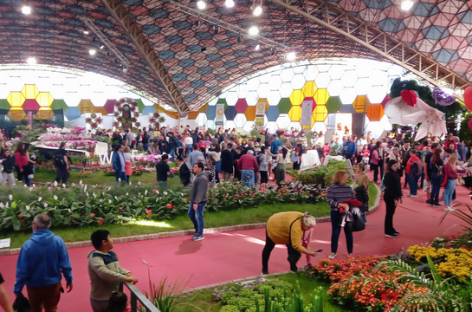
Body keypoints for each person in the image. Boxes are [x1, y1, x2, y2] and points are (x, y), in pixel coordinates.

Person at [14, 214, 73, 312]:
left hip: (34, 287)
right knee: (52, 309)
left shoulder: (27, 246)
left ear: (36, 226)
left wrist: (17, 290)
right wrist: (69, 279)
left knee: (35, 309)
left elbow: (22, 271)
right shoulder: (58, 241)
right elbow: (65, 264)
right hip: (54, 285)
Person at [88, 230, 138, 312]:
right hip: (101, 299)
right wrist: (125, 278)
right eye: (110, 238)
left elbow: (117, 268)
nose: (112, 240)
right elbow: (104, 273)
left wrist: (126, 273)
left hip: (112, 296)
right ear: (104, 242)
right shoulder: (95, 257)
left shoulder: (111, 254)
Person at [326, 170, 355, 259]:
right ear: (339, 177)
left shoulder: (348, 187)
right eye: (344, 176)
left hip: (347, 212)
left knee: (348, 232)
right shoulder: (332, 188)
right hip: (336, 212)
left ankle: (350, 252)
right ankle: (333, 252)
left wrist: (349, 206)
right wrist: (340, 205)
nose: (346, 178)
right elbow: (329, 201)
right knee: (336, 231)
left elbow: (354, 199)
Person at [188, 162, 208, 241]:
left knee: (199, 217)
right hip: (194, 200)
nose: (193, 168)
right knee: (191, 214)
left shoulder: (203, 178)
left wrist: (196, 202)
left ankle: (200, 234)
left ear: (200, 168)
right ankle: (197, 229)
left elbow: (200, 191)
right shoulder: (197, 176)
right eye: (194, 166)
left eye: (195, 167)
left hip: (199, 201)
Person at [383, 160, 403, 238]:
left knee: (391, 214)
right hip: (389, 196)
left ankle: (391, 229)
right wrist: (395, 198)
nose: (396, 167)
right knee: (389, 214)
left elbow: (398, 186)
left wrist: (400, 196)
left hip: (394, 196)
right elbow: (390, 188)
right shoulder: (388, 175)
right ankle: (387, 231)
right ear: (391, 166)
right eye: (395, 166)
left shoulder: (395, 174)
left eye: (397, 165)